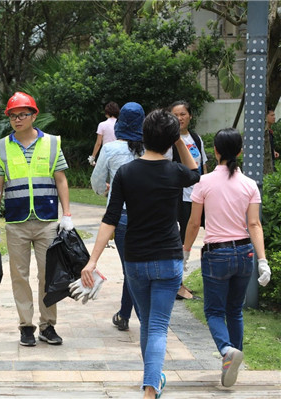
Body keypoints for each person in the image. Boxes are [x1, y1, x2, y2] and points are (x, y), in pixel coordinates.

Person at [81, 109, 200, 399]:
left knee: (148, 323)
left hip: (135, 260)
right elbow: (196, 172)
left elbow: (110, 218)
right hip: (168, 258)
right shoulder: (175, 172)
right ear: (171, 140)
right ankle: (150, 387)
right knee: (158, 326)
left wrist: (93, 259)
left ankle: (152, 380)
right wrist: (179, 140)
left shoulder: (126, 172)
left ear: (142, 136)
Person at [183, 127, 271, 388]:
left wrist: (185, 252)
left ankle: (226, 351)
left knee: (213, 311)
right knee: (235, 311)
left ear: (215, 151)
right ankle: (233, 360)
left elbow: (194, 222)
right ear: (241, 151)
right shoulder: (249, 185)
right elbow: (254, 224)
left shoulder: (204, 181)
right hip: (245, 253)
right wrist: (262, 261)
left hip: (216, 254)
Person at [0, 91, 74, 347]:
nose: (17, 119)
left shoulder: (52, 143)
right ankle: (26, 326)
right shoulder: (2, 147)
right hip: (16, 222)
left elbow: (61, 180)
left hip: (47, 220)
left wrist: (67, 214)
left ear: (34, 115)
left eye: (22, 114)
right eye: (13, 116)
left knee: (49, 275)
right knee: (19, 276)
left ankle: (48, 326)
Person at [90, 102, 144, 332]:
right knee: (137, 269)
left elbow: (96, 183)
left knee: (130, 270)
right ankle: (124, 314)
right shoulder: (151, 149)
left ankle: (144, 320)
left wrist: (107, 190)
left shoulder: (111, 150)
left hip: (121, 216)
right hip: (149, 217)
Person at [168, 100, 208, 300]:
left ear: (190, 116)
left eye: (183, 114)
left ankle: (204, 278)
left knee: (201, 237)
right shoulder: (169, 142)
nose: (180, 118)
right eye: (175, 115)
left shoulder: (196, 138)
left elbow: (203, 167)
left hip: (198, 196)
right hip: (180, 197)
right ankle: (178, 284)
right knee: (181, 239)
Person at [88, 101, 120, 166]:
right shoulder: (121, 124)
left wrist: (92, 157)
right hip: (119, 154)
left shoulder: (102, 125)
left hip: (106, 154)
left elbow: (98, 143)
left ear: (107, 112)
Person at [265, 107, 279, 171]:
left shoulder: (269, 130)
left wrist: (273, 151)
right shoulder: (264, 132)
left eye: (274, 115)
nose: (274, 117)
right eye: (272, 115)